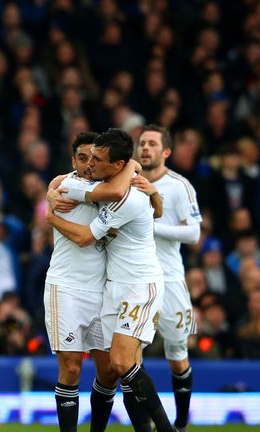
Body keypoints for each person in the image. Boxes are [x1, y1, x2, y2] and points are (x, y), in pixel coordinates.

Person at [46, 128, 173, 432]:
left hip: (119, 286)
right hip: (69, 287)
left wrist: (152, 191)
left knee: (114, 368)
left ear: (115, 164)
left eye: (96, 158)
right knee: (75, 368)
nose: (89, 164)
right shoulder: (68, 184)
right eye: (83, 157)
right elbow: (124, 198)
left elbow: (120, 201)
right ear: (72, 159)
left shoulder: (123, 189)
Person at [139, 124, 202, 432]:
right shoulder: (126, 184)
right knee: (128, 358)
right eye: (142, 143)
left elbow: (194, 233)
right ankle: (145, 423)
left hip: (170, 281)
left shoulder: (179, 186)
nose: (145, 148)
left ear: (165, 151)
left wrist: (154, 228)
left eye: (152, 143)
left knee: (177, 356)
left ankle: (180, 422)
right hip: (134, 281)